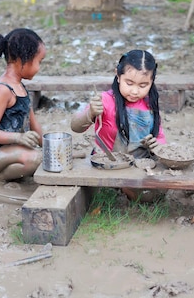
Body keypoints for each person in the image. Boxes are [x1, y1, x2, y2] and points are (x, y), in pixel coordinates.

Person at [70, 49, 166, 201]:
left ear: (152, 82)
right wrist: (91, 114)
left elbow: (160, 137)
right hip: (109, 163)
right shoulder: (106, 100)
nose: (134, 91)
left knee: (157, 192)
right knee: (142, 196)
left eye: (143, 85)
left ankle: (125, 187)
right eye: (129, 83)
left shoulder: (149, 104)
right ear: (118, 75)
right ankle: (119, 187)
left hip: (140, 163)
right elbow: (75, 127)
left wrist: (157, 145)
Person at [0, 28, 45, 181]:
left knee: (45, 157)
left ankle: (17, 168)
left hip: (12, 149)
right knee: (37, 159)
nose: (39, 67)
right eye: (39, 61)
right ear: (24, 59)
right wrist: (18, 138)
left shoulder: (21, 87)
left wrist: (52, 148)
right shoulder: (2, 90)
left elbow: (34, 125)